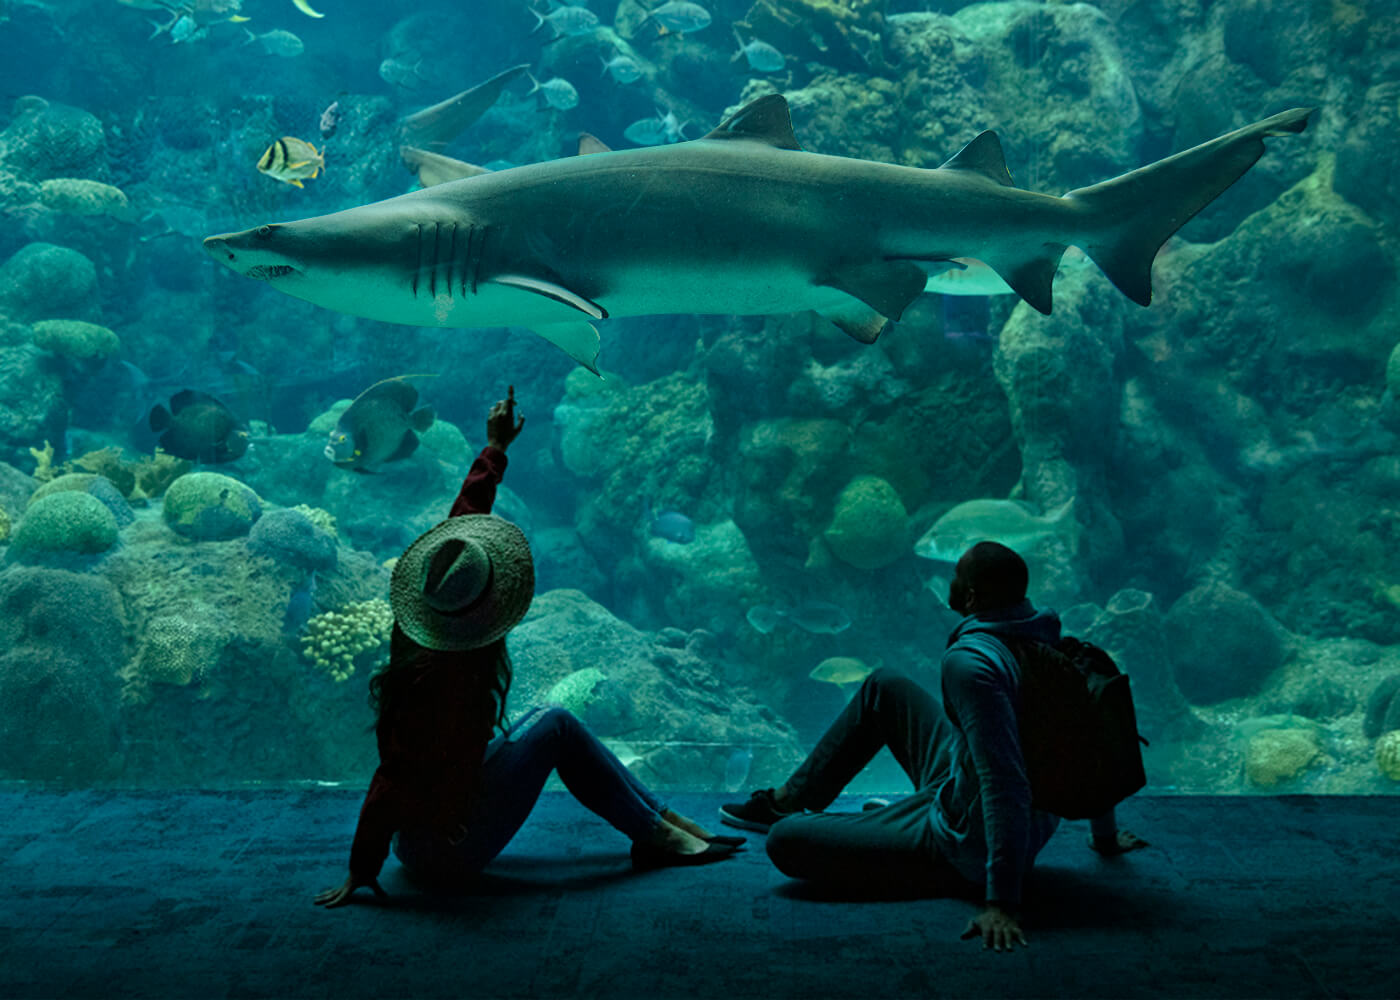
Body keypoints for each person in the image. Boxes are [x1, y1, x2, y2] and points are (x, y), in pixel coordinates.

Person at [316, 387, 742, 908]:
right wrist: (362, 868)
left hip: (437, 824)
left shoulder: (420, 624)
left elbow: (460, 526)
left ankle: (663, 821)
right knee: (555, 726)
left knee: (550, 715)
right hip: (442, 849)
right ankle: (657, 832)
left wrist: (496, 449)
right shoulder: (441, 677)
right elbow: (393, 778)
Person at [719, 540, 1148, 950]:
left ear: (973, 596)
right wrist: (1105, 838)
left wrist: (1001, 901)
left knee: (786, 840)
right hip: (965, 788)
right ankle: (791, 797)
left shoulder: (973, 664)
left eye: (957, 575)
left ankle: (917, 850)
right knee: (884, 685)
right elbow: (1089, 741)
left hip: (965, 840)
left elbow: (1004, 783)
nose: (949, 581)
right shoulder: (1046, 634)